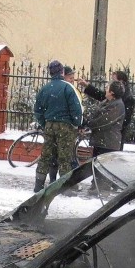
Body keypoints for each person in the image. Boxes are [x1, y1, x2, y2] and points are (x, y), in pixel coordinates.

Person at [32, 59, 83, 192]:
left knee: (46, 156)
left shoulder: (45, 89)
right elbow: (76, 110)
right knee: (65, 157)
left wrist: (45, 123)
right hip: (66, 126)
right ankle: (65, 187)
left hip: (49, 125)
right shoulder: (67, 88)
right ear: (61, 72)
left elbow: (38, 110)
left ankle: (39, 185)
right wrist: (76, 123)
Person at [78, 70, 135, 149]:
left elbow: (124, 120)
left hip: (112, 137)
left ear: (121, 81)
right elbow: (102, 95)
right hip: (104, 137)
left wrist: (90, 124)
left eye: (113, 80)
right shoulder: (113, 96)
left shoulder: (125, 99)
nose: (111, 82)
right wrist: (87, 86)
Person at [84, 81, 125, 158]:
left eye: (107, 88)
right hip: (101, 142)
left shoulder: (117, 105)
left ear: (111, 92)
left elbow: (103, 122)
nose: (105, 89)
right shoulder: (107, 102)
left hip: (108, 144)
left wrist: (88, 123)